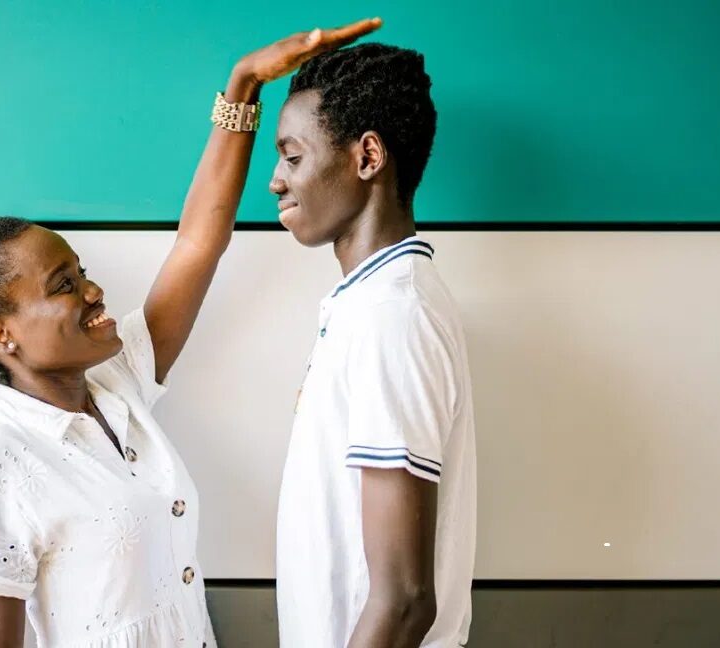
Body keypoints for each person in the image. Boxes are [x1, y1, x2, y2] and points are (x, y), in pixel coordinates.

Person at [0, 19, 381, 648]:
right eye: (63, 286)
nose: (93, 291)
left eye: (82, 272)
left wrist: (244, 85)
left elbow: (197, 244)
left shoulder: (117, 385)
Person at [271, 43, 477, 648]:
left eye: (292, 156)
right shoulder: (369, 304)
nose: (276, 180)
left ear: (367, 156)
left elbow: (406, 600)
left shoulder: (392, 316)